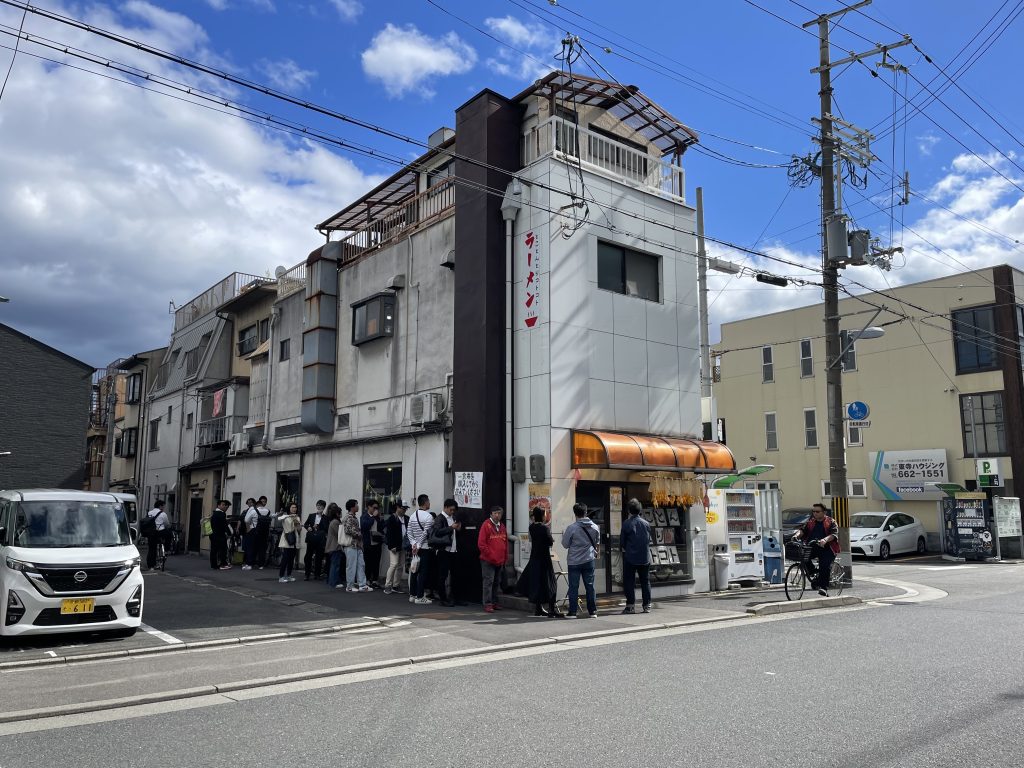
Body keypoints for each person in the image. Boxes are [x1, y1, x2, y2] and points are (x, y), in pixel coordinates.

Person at [517, 506, 563, 618]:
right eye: (545, 514)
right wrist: (552, 540)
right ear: (542, 516)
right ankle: (552, 610)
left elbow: (532, 539)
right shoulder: (544, 528)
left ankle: (539, 609)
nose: (546, 516)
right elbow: (550, 542)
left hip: (534, 558)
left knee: (538, 583)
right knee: (551, 583)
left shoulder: (531, 527)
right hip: (544, 558)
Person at [561, 503, 600, 618]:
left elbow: (565, 544)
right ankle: (592, 611)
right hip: (589, 559)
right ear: (586, 512)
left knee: (573, 586)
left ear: (575, 514)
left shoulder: (571, 528)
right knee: (590, 585)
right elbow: (597, 542)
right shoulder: (595, 527)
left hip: (574, 561)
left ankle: (573, 612)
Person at [792, 502, 840, 596]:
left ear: (824, 512)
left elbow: (834, 534)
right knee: (803, 557)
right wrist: (796, 535)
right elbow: (802, 530)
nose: (815, 513)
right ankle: (814, 572)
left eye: (817, 511)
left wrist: (825, 540)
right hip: (813, 547)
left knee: (824, 566)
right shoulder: (811, 522)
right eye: (813, 511)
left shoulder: (831, 522)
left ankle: (824, 588)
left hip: (828, 549)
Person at [620, 498, 652, 614]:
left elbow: (622, 543)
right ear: (640, 510)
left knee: (629, 581)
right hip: (644, 557)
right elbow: (649, 540)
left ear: (629, 510)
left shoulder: (627, 523)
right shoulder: (646, 524)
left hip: (630, 557)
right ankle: (647, 605)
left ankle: (630, 606)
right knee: (645, 581)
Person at [478, 506, 513, 613]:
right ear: (491, 514)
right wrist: (490, 555)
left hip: (499, 560)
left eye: (499, 513)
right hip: (488, 560)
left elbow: (505, 542)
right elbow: (481, 544)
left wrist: (505, 557)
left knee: (496, 582)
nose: (497, 515)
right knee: (488, 582)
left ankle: (494, 601)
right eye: (495, 513)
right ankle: (487, 603)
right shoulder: (486, 525)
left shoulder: (502, 526)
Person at [429, 499, 460, 607]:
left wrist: (457, 528)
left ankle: (455, 598)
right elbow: (437, 532)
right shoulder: (439, 518)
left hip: (453, 550)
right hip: (444, 550)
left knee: (456, 575)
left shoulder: (453, 517)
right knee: (443, 575)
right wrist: (451, 528)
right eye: (451, 510)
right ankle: (443, 599)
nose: (452, 512)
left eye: (454, 510)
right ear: (445, 507)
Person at [407, 494, 435, 605]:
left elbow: (409, 532)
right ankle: (420, 596)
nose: (429, 503)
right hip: (424, 548)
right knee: (423, 572)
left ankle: (412, 595)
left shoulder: (412, 516)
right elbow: (426, 533)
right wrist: (418, 545)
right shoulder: (429, 517)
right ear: (426, 502)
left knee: (414, 571)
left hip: (415, 548)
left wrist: (414, 544)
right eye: (429, 501)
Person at [342, 499, 372, 592]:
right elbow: (348, 530)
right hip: (351, 544)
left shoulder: (353, 517)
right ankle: (349, 586)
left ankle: (362, 584)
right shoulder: (348, 517)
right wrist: (359, 534)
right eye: (356, 505)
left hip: (357, 545)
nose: (358, 506)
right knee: (351, 565)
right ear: (352, 507)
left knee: (361, 564)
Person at [384, 500, 409, 594]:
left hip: (403, 545)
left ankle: (396, 585)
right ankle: (387, 585)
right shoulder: (392, 518)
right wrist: (391, 546)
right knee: (394, 564)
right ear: (397, 508)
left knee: (400, 566)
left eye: (405, 509)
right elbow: (389, 533)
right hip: (394, 546)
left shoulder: (406, 518)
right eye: (403, 508)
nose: (404, 510)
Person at [361, 500, 385, 588]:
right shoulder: (364, 516)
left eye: (377, 508)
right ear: (369, 507)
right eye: (374, 507)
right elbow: (364, 527)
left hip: (377, 542)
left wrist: (381, 520)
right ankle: (367, 579)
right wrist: (372, 517)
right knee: (368, 562)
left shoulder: (378, 517)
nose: (376, 509)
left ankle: (375, 580)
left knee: (376, 562)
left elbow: (382, 528)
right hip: (368, 543)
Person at [303, 500, 329, 581]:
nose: (319, 507)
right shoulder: (311, 515)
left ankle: (317, 574)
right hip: (311, 539)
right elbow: (306, 524)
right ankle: (307, 574)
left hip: (320, 539)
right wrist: (309, 527)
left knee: (319, 557)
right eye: (318, 505)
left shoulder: (326, 518)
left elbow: (326, 528)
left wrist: (321, 519)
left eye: (321, 506)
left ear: (324, 507)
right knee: (308, 556)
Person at [143, 500, 170, 571]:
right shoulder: (163, 514)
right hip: (160, 532)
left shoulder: (149, 513)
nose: (164, 507)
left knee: (152, 549)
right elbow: (167, 524)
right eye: (163, 506)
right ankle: (167, 549)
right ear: (160, 506)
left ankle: (151, 566)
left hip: (151, 533)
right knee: (169, 534)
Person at [277, 503, 301, 583]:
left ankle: (289, 575)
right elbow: (279, 518)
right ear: (289, 508)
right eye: (292, 507)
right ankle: (281, 576)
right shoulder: (285, 516)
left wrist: (296, 522)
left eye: (295, 507)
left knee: (291, 559)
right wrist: (288, 516)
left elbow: (299, 529)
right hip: (287, 539)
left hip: (295, 538)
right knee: (285, 558)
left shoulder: (297, 517)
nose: (294, 509)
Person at [324, 503, 344, 589]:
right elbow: (339, 534)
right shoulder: (335, 522)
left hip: (332, 546)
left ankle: (333, 581)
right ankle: (334, 582)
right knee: (335, 565)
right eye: (340, 512)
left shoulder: (333, 521)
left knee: (334, 565)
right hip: (334, 546)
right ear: (337, 513)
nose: (341, 514)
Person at [209, 499, 231, 570]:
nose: (224, 506)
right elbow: (224, 525)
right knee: (223, 549)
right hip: (220, 535)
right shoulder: (221, 514)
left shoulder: (214, 513)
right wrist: (229, 533)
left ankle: (214, 565)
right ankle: (223, 564)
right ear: (218, 505)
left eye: (225, 505)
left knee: (214, 550)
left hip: (213, 534)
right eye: (223, 505)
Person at [253, 495, 272, 569]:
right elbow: (272, 516)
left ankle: (252, 562)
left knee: (254, 547)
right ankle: (261, 564)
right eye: (263, 502)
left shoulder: (254, 510)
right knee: (263, 548)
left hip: (256, 531)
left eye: (265, 501)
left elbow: (247, 520)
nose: (264, 503)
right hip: (265, 531)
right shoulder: (268, 511)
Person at [241, 498, 259, 570]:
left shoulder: (251, 510)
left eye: (250, 502)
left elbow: (246, 520)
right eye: (248, 503)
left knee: (249, 548)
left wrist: (248, 529)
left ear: (253, 503)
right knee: (253, 547)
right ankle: (252, 562)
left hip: (251, 529)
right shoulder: (258, 510)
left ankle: (249, 564)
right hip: (257, 530)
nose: (249, 504)